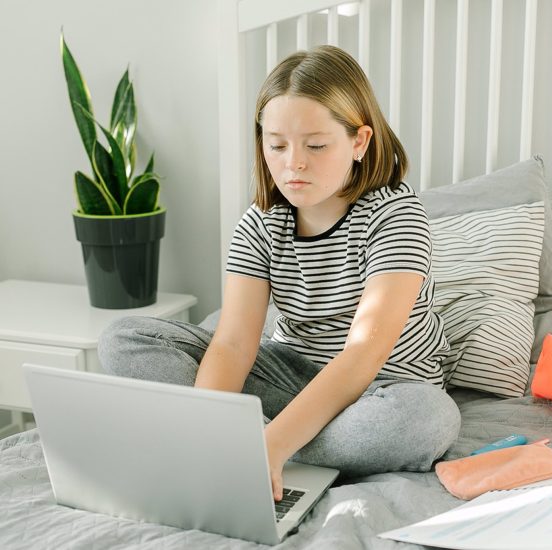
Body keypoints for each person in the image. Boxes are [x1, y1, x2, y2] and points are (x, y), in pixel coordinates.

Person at [98, 45, 461, 501]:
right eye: (277, 145)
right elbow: (233, 343)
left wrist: (269, 447)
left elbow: (363, 355)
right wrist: (207, 426)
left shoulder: (395, 217)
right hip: (289, 376)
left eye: (315, 145)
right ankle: (245, 436)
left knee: (428, 420)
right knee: (123, 339)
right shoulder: (260, 223)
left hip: (382, 388)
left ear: (359, 142)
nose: (294, 163)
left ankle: (267, 438)